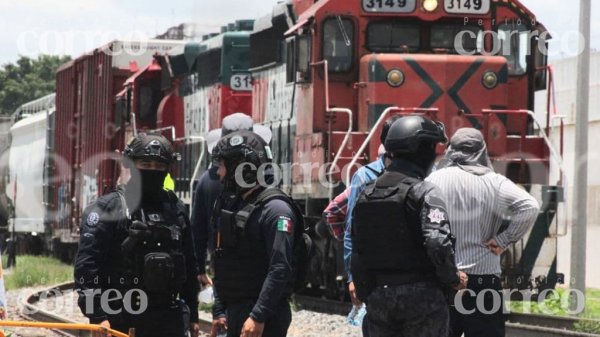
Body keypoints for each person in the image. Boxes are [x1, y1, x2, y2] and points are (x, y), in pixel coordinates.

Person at [351, 116, 467, 337]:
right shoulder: (424, 192)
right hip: (422, 300)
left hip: (379, 298)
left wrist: (368, 293)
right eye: (432, 148)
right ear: (420, 151)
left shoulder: (367, 194)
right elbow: (437, 242)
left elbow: (358, 249)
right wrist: (452, 278)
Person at [74, 133, 200, 337]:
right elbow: (87, 268)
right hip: (121, 317)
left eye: (159, 166)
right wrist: (97, 315)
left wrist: (193, 314)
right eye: (145, 163)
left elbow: (189, 263)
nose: (152, 170)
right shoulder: (108, 208)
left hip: (168, 318)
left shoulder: (175, 209)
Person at [427, 128, 540, 337]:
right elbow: (530, 206)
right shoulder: (495, 182)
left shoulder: (435, 180)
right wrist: (504, 240)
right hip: (484, 280)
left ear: (451, 150)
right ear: (482, 152)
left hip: (444, 278)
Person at [209, 130, 298, 337]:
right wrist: (220, 311)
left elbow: (279, 268)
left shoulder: (276, 210)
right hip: (239, 311)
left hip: (264, 317)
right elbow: (225, 261)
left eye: (222, 166)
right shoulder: (236, 206)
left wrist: (258, 315)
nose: (219, 174)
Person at [191, 113, 272, 288]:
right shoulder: (265, 178)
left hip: (223, 265)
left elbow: (198, 229)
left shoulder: (206, 181)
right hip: (259, 266)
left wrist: (198, 268)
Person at [343, 116, 399, 336]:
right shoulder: (364, 177)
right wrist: (351, 277)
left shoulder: (423, 176)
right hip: (375, 273)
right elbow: (351, 230)